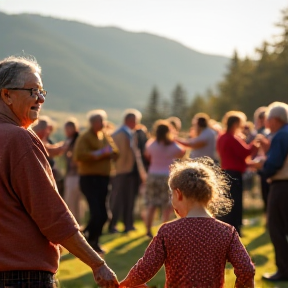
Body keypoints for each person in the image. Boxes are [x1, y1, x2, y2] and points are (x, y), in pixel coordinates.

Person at [0, 56, 118, 288]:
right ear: (7, 95)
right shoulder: (18, 139)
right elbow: (51, 215)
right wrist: (97, 263)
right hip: (22, 275)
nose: (41, 99)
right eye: (33, 91)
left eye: (43, 91)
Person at [119, 157, 255, 288]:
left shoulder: (168, 231)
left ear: (178, 194)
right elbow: (246, 269)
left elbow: (145, 269)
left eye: (171, 195)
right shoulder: (227, 232)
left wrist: (125, 283)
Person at [73, 109, 119, 253]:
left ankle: (88, 236)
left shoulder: (105, 135)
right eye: (100, 121)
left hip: (103, 179)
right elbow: (78, 156)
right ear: (93, 123)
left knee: (104, 214)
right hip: (89, 179)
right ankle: (92, 240)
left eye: (103, 121)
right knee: (97, 213)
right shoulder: (85, 137)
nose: (103, 124)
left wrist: (109, 153)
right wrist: (99, 154)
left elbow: (115, 152)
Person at [254, 102, 288, 282]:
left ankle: (284, 270)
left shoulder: (281, 135)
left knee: (276, 229)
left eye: (268, 118)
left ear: (275, 119)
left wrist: (260, 167)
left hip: (282, 186)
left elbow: (273, 164)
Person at [217, 111, 258, 235]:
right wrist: (255, 144)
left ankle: (225, 227)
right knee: (235, 202)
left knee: (227, 202)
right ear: (235, 124)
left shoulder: (221, 137)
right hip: (234, 173)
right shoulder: (232, 138)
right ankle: (235, 228)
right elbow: (245, 152)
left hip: (225, 171)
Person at [144, 120, 185, 237]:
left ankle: (148, 229)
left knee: (152, 203)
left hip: (153, 174)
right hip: (167, 175)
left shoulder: (151, 144)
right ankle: (163, 229)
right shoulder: (172, 145)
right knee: (167, 205)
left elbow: (147, 155)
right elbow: (182, 153)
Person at [109, 109, 142, 233]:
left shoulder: (128, 133)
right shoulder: (119, 134)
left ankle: (128, 224)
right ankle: (113, 225)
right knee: (118, 199)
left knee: (129, 199)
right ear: (130, 120)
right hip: (121, 171)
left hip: (129, 171)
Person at [63, 118, 81, 223]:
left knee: (72, 202)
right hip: (71, 174)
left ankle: (75, 224)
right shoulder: (69, 140)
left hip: (75, 175)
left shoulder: (77, 141)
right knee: (72, 202)